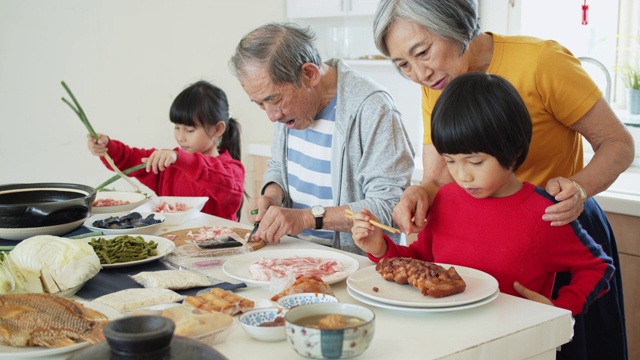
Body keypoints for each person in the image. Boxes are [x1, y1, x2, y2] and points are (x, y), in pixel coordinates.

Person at [372, 1, 634, 359]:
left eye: (423, 52)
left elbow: (618, 143)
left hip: (558, 224)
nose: (419, 73)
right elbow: (440, 175)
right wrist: (421, 191)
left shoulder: (542, 62)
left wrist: (579, 188)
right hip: (491, 238)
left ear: (454, 25)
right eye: (403, 64)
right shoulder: (436, 80)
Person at [351, 72, 614, 319]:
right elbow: (422, 263)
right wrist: (381, 247)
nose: (462, 175)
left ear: (513, 151)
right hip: (446, 334)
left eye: (475, 162)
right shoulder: (444, 200)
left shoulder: (543, 213)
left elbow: (598, 267)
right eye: (451, 161)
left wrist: (559, 309)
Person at [228, 22, 415, 255]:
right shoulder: (289, 109)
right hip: (295, 255)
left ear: (309, 74)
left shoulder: (372, 107)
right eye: (259, 104)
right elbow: (278, 165)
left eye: (274, 100)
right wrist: (273, 195)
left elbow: (390, 206)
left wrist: (308, 218)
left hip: (357, 266)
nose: (271, 116)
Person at [87, 80, 245, 221]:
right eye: (177, 127)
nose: (180, 137)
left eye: (190, 130)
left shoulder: (232, 171)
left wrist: (179, 158)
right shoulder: (169, 163)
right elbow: (130, 158)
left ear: (217, 129)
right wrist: (106, 146)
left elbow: (224, 183)